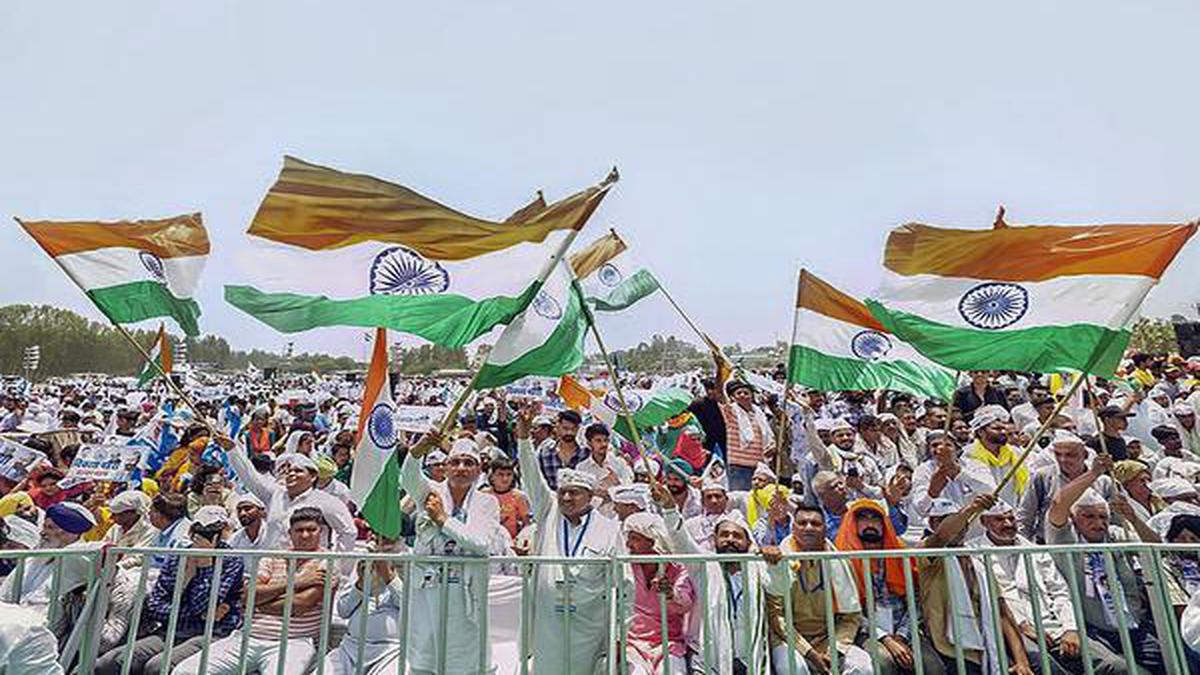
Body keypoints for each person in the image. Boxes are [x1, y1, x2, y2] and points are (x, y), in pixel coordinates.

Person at [1044, 452, 1185, 675]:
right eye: (1089, 517)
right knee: (1119, 669)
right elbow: (1058, 504)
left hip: (1132, 625)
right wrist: (1093, 473)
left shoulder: (1117, 534)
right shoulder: (1065, 537)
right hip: (1091, 628)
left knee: (1175, 662)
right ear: (1074, 518)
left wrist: (1134, 519)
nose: (1098, 524)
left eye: (1103, 517)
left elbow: (1156, 548)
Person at [516, 403, 621, 674]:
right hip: (548, 622)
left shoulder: (608, 528)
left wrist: (620, 634)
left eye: (574, 493)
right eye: (562, 492)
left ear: (589, 497)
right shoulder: (549, 511)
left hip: (590, 625)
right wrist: (524, 438)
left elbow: (625, 586)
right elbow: (530, 476)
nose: (566, 497)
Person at [973, 501, 1131, 675]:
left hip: (1054, 627)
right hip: (1014, 633)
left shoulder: (1035, 550)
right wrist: (1021, 625)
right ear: (984, 522)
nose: (1008, 524)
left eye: (1011, 518)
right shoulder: (974, 553)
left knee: (1115, 666)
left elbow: (1059, 592)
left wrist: (1070, 629)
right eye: (999, 520)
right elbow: (993, 601)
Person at [174, 507, 338, 675]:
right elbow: (247, 596)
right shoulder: (274, 556)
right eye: (299, 530)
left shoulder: (328, 561)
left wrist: (259, 602)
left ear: (321, 531)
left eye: (311, 530)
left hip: (294, 641)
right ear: (290, 532)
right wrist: (297, 582)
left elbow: (300, 604)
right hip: (247, 636)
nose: (305, 535)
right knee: (184, 672)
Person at [94, 505, 244, 675]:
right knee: (109, 662)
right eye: (199, 530)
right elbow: (155, 606)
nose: (202, 536)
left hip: (209, 633)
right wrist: (185, 582)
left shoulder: (231, 560)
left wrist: (206, 566)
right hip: (170, 629)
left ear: (219, 534)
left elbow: (203, 606)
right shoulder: (177, 557)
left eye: (209, 532)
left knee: (158, 667)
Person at [400, 434, 502, 675]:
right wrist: (417, 451)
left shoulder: (487, 502)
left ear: (479, 470)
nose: (461, 468)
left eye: (469, 463)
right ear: (445, 467)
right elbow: (408, 477)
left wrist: (443, 520)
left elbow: (481, 543)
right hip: (429, 588)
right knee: (425, 656)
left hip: (466, 590)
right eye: (455, 462)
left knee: (465, 659)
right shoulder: (430, 492)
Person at [918, 494, 1037, 675]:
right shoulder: (927, 552)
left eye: (962, 520)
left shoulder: (978, 559)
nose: (959, 525)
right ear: (933, 524)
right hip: (948, 648)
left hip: (986, 645)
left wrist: (1022, 662)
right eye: (947, 520)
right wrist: (971, 509)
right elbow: (943, 535)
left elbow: (1002, 611)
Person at [658, 483, 769, 675]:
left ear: (748, 542)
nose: (730, 540)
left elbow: (779, 588)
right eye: (724, 535)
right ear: (714, 541)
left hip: (751, 656)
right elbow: (681, 540)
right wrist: (669, 507)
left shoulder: (758, 568)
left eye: (737, 536)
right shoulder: (704, 565)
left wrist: (774, 564)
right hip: (710, 656)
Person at [762, 503, 871, 675]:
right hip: (787, 639)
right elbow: (776, 617)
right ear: (793, 528)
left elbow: (851, 617)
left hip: (828, 638)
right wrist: (810, 653)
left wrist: (834, 651)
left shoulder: (839, 561)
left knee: (863, 666)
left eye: (815, 524)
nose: (808, 528)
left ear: (825, 528)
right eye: (802, 523)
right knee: (794, 668)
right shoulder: (779, 560)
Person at [832, 499, 928, 675]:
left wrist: (901, 635)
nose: (870, 524)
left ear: (884, 523)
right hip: (864, 630)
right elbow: (850, 610)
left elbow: (916, 600)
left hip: (903, 628)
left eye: (875, 519)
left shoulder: (900, 552)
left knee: (932, 667)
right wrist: (885, 638)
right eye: (863, 518)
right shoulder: (843, 557)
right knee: (884, 664)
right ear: (853, 523)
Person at [222, 436, 357, 557]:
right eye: (289, 471)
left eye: (298, 471)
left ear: (313, 476)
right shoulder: (275, 494)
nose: (291, 474)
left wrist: (337, 567)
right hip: (270, 570)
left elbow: (348, 532)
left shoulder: (326, 501)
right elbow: (250, 476)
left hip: (308, 571)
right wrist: (232, 450)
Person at [622, 511, 696, 675]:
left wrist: (670, 593)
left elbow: (685, 605)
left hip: (669, 644)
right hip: (633, 644)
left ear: (652, 541)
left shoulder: (677, 568)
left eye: (635, 538)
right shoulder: (625, 567)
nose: (628, 544)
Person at [322, 537, 407, 675]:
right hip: (350, 648)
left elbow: (411, 607)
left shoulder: (411, 561)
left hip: (391, 651)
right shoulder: (365, 559)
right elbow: (343, 610)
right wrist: (361, 582)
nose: (382, 540)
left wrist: (389, 577)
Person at [1017, 432, 1116, 544]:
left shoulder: (1103, 481)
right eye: (1058, 455)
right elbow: (1025, 517)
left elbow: (1115, 518)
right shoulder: (1042, 477)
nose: (1063, 460)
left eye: (1070, 455)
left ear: (1085, 455)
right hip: (1052, 547)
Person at [716, 375, 776, 492]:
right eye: (739, 393)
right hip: (739, 466)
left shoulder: (759, 414)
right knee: (741, 499)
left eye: (746, 392)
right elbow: (720, 395)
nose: (743, 395)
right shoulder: (732, 412)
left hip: (760, 466)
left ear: (752, 395)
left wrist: (772, 446)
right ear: (733, 397)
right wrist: (721, 373)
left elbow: (769, 436)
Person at [964, 405, 1028, 506]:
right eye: (997, 429)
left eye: (1004, 428)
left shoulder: (1016, 453)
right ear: (980, 432)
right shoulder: (969, 455)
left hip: (1013, 512)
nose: (1003, 432)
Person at [536, 409, 588, 491]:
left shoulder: (586, 453)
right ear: (558, 426)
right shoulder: (545, 452)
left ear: (578, 429)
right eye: (565, 428)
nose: (569, 432)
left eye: (573, 429)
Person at [481, 456, 530, 541]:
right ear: (492, 476)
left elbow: (526, 523)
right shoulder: (484, 494)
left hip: (511, 541)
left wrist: (521, 539)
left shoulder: (519, 496)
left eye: (509, 474)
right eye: (500, 474)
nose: (505, 478)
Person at [576, 422, 632, 492]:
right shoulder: (582, 468)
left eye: (606, 440)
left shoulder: (620, 463)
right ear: (589, 443)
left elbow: (629, 488)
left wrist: (617, 483)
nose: (604, 444)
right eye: (598, 441)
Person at [687, 377, 728, 456]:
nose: (710, 392)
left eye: (713, 389)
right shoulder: (698, 403)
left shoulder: (725, 404)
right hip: (706, 438)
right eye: (707, 389)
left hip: (724, 437)